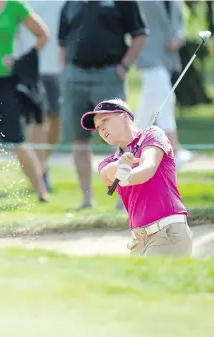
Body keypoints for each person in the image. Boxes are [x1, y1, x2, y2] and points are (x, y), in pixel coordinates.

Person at [58, 0, 148, 210]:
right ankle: (87, 200)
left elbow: (140, 35)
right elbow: (62, 41)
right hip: (74, 76)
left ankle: (124, 197)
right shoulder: (70, 3)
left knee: (120, 138)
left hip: (109, 74)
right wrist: (65, 71)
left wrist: (124, 66)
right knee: (78, 139)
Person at [80, 98, 193, 257]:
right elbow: (106, 175)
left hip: (167, 231)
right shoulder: (109, 161)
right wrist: (120, 166)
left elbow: (148, 168)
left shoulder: (152, 134)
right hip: (139, 240)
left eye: (105, 120)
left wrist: (126, 175)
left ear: (125, 117)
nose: (102, 128)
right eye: (98, 127)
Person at [0, 0, 49, 205]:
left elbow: (42, 35)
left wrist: (22, 61)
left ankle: (41, 191)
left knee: (16, 138)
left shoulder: (14, 5)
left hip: (6, 82)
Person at [134, 0, 194, 167]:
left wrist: (177, 39)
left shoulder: (176, 2)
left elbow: (180, 23)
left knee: (147, 107)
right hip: (147, 54)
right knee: (166, 99)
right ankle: (174, 149)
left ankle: (130, 146)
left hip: (167, 57)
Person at [15, 0, 65, 192]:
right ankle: (40, 173)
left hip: (58, 69)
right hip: (30, 70)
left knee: (56, 123)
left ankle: (40, 164)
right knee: (38, 121)